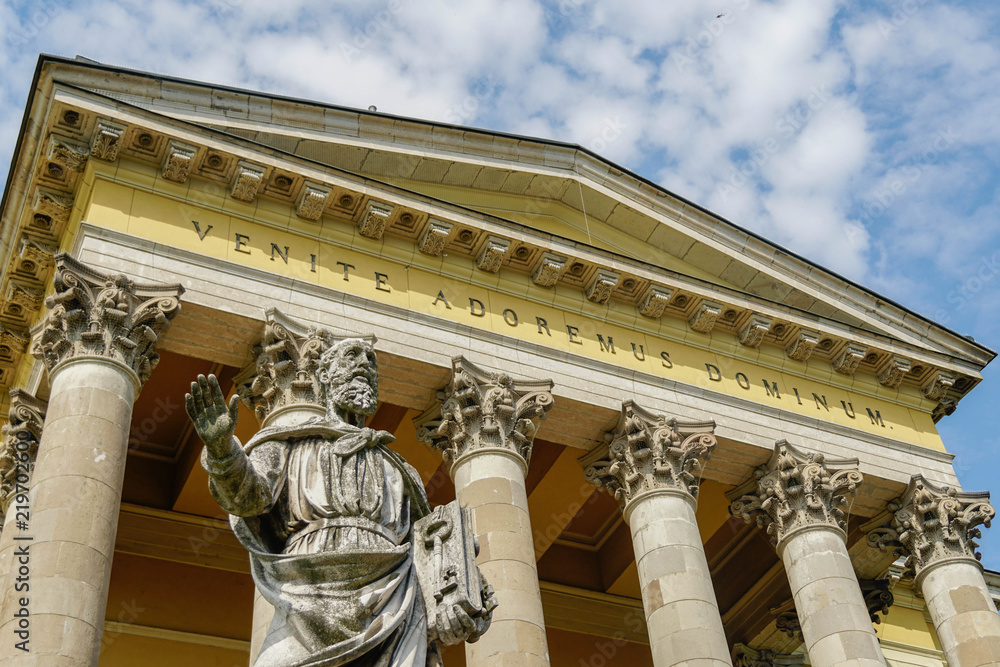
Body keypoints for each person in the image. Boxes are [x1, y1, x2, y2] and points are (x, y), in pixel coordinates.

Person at [186, 338, 488, 666]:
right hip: (306, 591)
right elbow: (247, 497)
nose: (365, 365)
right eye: (353, 357)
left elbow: (427, 546)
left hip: (393, 596)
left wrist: (464, 577)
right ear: (326, 378)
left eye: (371, 362)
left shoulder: (399, 468)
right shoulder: (291, 444)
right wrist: (220, 448)